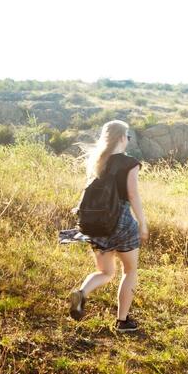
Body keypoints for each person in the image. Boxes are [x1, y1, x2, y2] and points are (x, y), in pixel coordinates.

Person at [68, 120, 149, 332]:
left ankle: (82, 293)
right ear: (122, 137)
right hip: (122, 222)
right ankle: (122, 321)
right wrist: (143, 223)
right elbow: (133, 195)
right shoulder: (130, 163)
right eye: (128, 137)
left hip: (97, 224)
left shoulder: (97, 161)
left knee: (105, 272)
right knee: (129, 271)